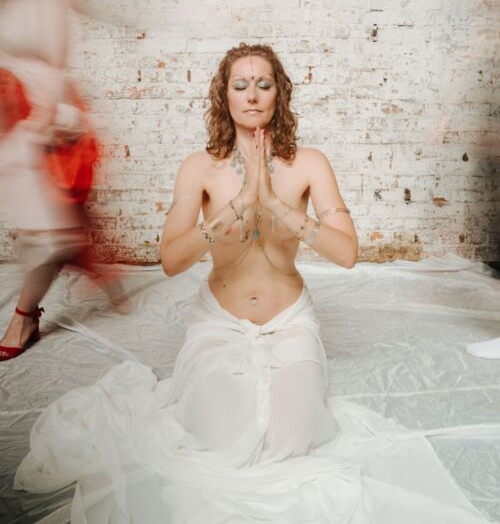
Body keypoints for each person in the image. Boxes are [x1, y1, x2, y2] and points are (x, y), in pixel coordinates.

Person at [13, 44, 489, 523]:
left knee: (293, 439)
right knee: (220, 439)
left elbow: (346, 254)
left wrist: (275, 204)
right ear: (224, 96)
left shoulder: (310, 164)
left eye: (264, 84)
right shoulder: (199, 167)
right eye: (240, 85)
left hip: (290, 322)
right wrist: (238, 206)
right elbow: (172, 260)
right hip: (219, 322)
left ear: (280, 94)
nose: (253, 95)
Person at [0, 0, 125, 362]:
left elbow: (55, 68)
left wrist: (43, 126)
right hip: (12, 119)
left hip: (41, 116)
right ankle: (89, 255)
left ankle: (24, 317)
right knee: (47, 224)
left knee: (47, 233)